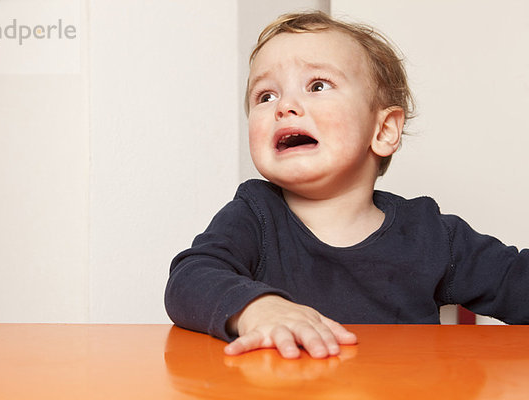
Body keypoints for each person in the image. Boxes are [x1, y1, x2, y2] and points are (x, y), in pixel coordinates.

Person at [164, 10, 529, 359]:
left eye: (317, 85)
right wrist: (256, 308)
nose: (284, 106)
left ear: (383, 130)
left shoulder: (430, 234)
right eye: (266, 96)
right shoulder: (254, 215)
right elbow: (188, 279)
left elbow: (517, 282)